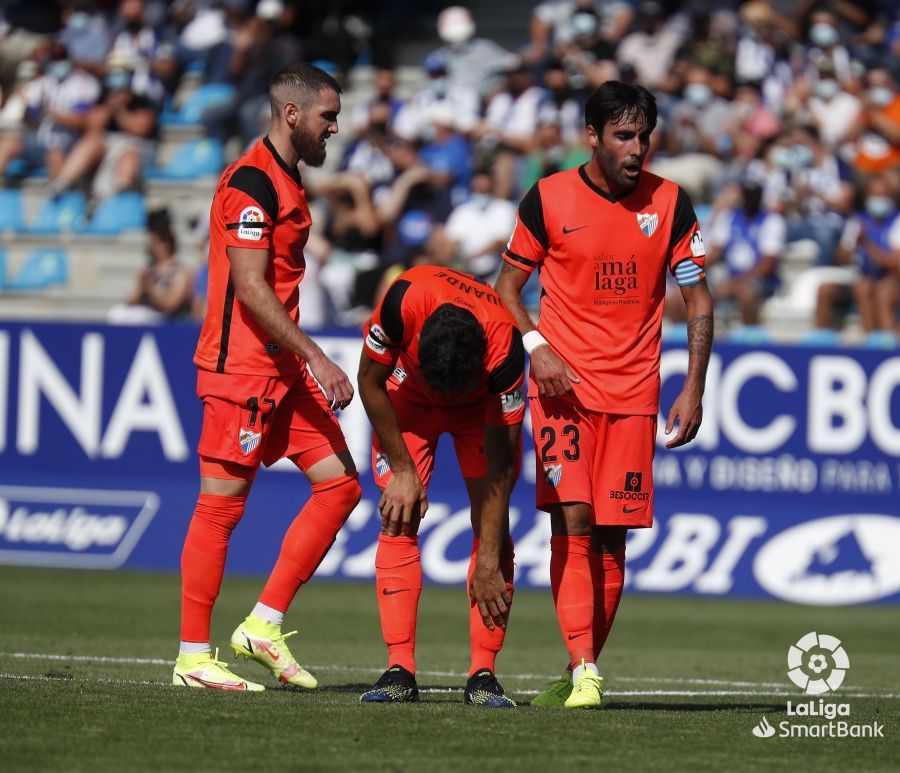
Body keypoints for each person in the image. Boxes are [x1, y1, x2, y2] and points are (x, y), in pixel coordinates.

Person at [495, 81, 713, 709]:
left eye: (644, 135)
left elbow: (698, 295)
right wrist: (538, 348)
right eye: (623, 135)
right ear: (591, 136)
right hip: (562, 392)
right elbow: (508, 288)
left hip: (636, 393)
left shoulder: (670, 203)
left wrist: (693, 386)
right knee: (576, 521)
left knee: (613, 536)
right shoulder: (549, 198)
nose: (636, 148)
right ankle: (587, 667)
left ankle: (576, 670)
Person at [173, 62, 362, 692]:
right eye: (327, 116)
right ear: (292, 114)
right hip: (244, 371)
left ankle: (263, 624)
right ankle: (193, 656)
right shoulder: (253, 182)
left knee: (340, 486)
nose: (333, 127)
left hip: (279, 369)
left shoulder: (286, 178)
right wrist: (318, 355)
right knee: (220, 507)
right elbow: (251, 288)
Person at [357, 265, 525, 708]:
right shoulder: (401, 302)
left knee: (493, 534)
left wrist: (489, 560)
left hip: (479, 411)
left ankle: (483, 675)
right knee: (398, 514)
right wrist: (402, 467)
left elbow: (500, 471)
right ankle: (399, 671)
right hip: (410, 396)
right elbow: (369, 382)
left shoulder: (506, 351)